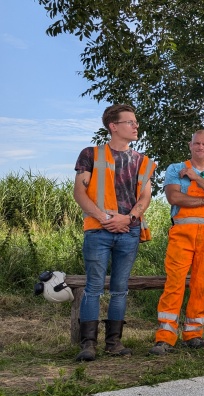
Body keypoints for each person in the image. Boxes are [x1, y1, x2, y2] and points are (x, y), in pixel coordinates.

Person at [72, 104, 156, 361]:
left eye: (136, 122)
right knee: (94, 287)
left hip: (128, 231)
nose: (136, 126)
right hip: (98, 230)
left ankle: (114, 343)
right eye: (130, 122)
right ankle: (88, 345)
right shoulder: (90, 154)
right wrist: (105, 218)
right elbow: (79, 193)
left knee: (120, 289)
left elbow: (145, 197)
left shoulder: (142, 161)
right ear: (113, 126)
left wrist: (128, 218)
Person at [149, 130, 204, 355]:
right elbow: (174, 198)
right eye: (197, 143)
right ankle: (165, 337)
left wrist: (196, 179)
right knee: (174, 282)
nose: (201, 147)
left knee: (203, 283)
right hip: (182, 231)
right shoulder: (175, 169)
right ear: (190, 145)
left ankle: (194, 334)